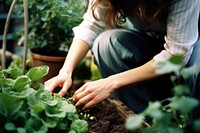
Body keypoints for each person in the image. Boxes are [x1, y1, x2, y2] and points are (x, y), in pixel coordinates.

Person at [44, 0, 200, 118]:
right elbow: (91, 25)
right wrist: (65, 71)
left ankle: (191, 121)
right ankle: (152, 119)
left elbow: (177, 54)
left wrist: (110, 83)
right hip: (153, 40)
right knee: (106, 44)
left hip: (192, 43)